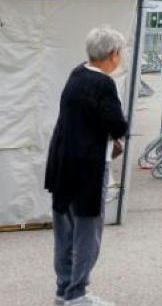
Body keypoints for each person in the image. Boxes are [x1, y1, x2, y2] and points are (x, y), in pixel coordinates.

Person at [45, 27, 131, 306]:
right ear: (113, 54)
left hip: (62, 163)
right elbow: (117, 124)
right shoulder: (103, 84)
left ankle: (63, 290)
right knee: (87, 232)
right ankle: (77, 293)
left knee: (65, 230)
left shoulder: (76, 74)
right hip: (88, 168)